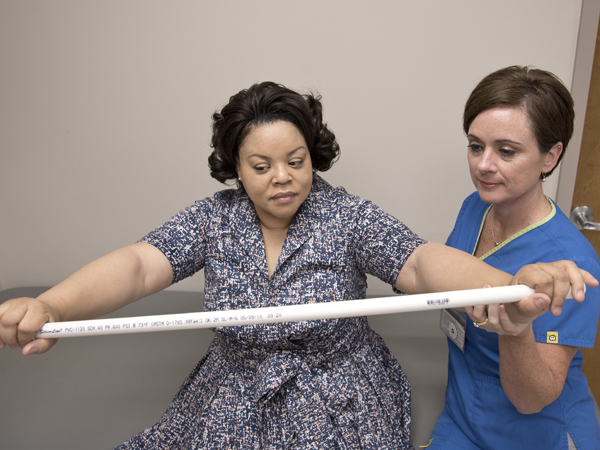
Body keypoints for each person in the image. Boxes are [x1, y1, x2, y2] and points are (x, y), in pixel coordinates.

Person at [0, 81, 594, 450]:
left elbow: (420, 265)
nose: (282, 177)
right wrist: (51, 305)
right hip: (233, 383)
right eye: (261, 165)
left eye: (297, 159)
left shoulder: (348, 215)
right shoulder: (213, 219)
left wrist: (509, 286)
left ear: (315, 155)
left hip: (338, 392)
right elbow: (136, 266)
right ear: (234, 166)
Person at [427, 66, 600, 450]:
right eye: (475, 146)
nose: (484, 165)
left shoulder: (572, 264)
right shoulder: (476, 207)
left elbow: (531, 399)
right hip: (464, 416)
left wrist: (515, 326)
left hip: (535, 434)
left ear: (550, 157)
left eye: (506, 151)